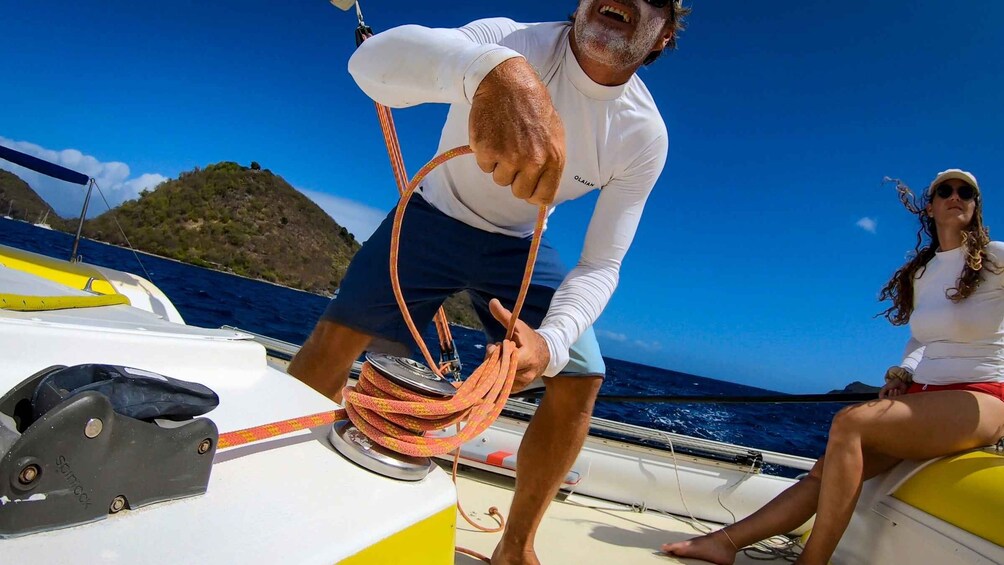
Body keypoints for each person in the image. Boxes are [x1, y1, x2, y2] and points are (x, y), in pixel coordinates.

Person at [288, 2, 691, 563]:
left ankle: (516, 546)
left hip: (519, 246)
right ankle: (281, 480)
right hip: (430, 215)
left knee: (580, 377)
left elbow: (601, 264)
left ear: (663, 34)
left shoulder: (643, 135)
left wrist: (549, 345)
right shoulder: (510, 38)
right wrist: (491, 71)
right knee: (334, 342)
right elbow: (370, 66)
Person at [662, 168, 1004, 565]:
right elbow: (921, 339)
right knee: (824, 473)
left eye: (967, 192)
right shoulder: (923, 273)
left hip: (980, 398)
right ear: (930, 206)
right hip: (924, 396)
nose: (956, 195)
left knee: (850, 422)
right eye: (946, 190)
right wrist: (903, 371)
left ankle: (813, 561)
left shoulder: (995, 257)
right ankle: (725, 542)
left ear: (976, 206)